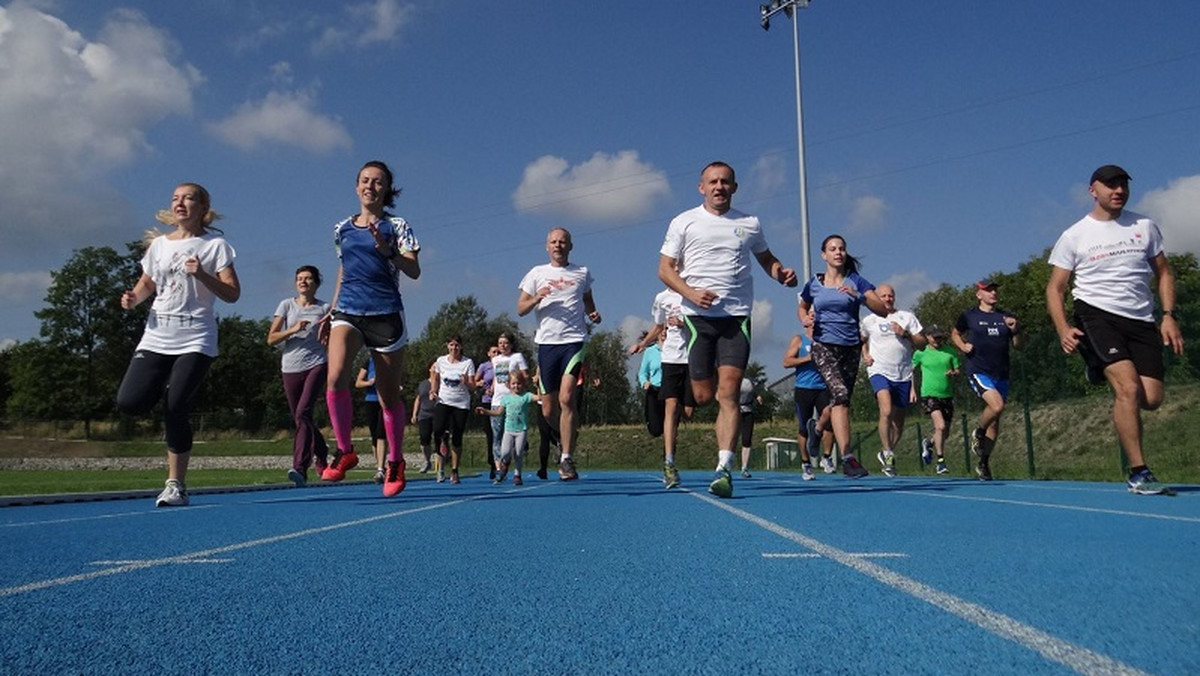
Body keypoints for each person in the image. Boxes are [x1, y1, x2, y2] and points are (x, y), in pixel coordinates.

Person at [658, 161, 797, 498]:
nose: (719, 187)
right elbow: (664, 269)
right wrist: (690, 293)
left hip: (736, 317)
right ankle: (708, 419)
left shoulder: (749, 223)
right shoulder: (684, 221)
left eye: (725, 182)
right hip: (697, 318)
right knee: (704, 396)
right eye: (713, 182)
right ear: (701, 187)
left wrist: (780, 273)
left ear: (734, 187)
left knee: (729, 392)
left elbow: (766, 259)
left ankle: (724, 469)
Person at [1046, 164, 1185, 495]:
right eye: (1110, 185)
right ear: (1093, 190)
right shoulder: (1075, 235)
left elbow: (1164, 273)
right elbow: (1056, 288)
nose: (1118, 190)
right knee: (1127, 389)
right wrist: (1063, 327)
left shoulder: (1145, 226)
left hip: (1140, 319)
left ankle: (1096, 365)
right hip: (1096, 315)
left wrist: (1168, 315)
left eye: (1123, 184)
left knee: (1151, 399)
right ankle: (1139, 471)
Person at [116, 182, 240, 507]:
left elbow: (232, 293)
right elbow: (146, 284)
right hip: (158, 335)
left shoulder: (215, 246)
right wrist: (132, 299)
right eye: (175, 198)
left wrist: (202, 275)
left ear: (202, 207)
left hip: (196, 337)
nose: (180, 203)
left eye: (187, 198)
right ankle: (165, 391)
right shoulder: (158, 246)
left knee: (176, 406)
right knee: (130, 402)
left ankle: (175, 485)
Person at [317, 160, 420, 498]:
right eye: (364, 181)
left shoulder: (398, 225)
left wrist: (389, 252)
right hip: (347, 309)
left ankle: (395, 461)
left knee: (389, 397)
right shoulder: (341, 229)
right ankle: (345, 450)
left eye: (378, 182)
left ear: (386, 189)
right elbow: (343, 271)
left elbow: (414, 270)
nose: (370, 187)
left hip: (385, 313)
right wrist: (331, 311)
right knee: (334, 377)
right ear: (356, 186)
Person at [799, 234, 888, 479]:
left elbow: (882, 309)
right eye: (832, 248)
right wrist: (804, 319)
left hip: (849, 347)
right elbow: (802, 306)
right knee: (840, 395)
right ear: (823, 255)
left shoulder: (856, 281)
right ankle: (848, 458)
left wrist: (859, 297)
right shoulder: (814, 283)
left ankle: (817, 428)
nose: (838, 252)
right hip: (823, 345)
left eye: (841, 248)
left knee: (842, 401)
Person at [517, 227, 600, 481]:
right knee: (547, 409)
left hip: (574, 341)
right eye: (553, 242)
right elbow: (520, 309)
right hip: (547, 344)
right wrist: (536, 299)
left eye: (562, 242)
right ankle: (565, 437)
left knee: (567, 398)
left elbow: (588, 300)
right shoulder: (536, 274)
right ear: (546, 246)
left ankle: (566, 458)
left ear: (570, 246)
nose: (558, 245)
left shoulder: (582, 273)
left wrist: (592, 314)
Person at [267, 265, 332, 486]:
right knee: (301, 418)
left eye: (307, 278)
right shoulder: (286, 305)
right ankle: (322, 453)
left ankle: (300, 467)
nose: (303, 282)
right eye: (299, 279)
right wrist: (292, 329)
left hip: (317, 363)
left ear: (316, 282)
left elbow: (332, 337)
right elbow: (271, 338)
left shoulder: (324, 308)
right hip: (290, 366)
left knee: (304, 412)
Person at [951, 279, 1021, 481]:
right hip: (978, 370)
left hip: (1001, 373)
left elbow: (1018, 345)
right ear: (979, 294)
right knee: (997, 406)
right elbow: (955, 333)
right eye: (988, 290)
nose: (993, 293)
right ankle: (978, 432)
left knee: (995, 422)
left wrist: (1015, 330)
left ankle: (983, 462)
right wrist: (962, 346)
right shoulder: (969, 316)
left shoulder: (1006, 317)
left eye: (994, 290)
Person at [628, 289, 694, 489]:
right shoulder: (662, 298)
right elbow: (657, 326)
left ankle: (674, 430)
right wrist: (643, 344)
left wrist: (684, 324)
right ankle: (669, 463)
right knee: (671, 408)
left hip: (691, 357)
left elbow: (704, 324)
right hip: (672, 359)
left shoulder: (694, 289)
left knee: (689, 412)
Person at [859, 283, 925, 477]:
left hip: (903, 373)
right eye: (883, 296)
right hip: (879, 370)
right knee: (886, 410)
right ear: (877, 299)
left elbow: (921, 343)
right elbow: (861, 341)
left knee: (899, 422)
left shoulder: (906, 317)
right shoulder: (869, 320)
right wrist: (865, 355)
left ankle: (888, 449)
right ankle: (888, 455)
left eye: (890, 296)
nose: (887, 299)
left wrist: (904, 333)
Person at [783, 325, 834, 481]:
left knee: (829, 416)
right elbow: (786, 362)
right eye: (811, 315)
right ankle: (806, 463)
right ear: (806, 321)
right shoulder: (799, 339)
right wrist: (808, 358)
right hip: (804, 388)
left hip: (823, 387)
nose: (814, 318)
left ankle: (826, 456)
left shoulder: (827, 340)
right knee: (803, 427)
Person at [912, 324, 960, 475]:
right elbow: (910, 371)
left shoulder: (950, 352)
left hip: (947, 394)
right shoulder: (921, 353)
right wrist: (912, 390)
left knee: (945, 432)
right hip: (929, 394)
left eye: (940, 337)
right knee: (940, 426)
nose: (938, 340)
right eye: (935, 337)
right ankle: (940, 461)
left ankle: (930, 443)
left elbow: (957, 370)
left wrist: (953, 373)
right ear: (928, 337)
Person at [479, 370, 539, 486]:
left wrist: (537, 385)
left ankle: (517, 474)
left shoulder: (526, 396)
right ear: (509, 384)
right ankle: (505, 464)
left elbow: (539, 397)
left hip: (521, 430)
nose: (516, 386)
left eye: (518, 383)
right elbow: (498, 413)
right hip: (509, 430)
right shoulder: (506, 398)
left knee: (518, 453)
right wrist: (485, 411)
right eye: (513, 384)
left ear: (522, 384)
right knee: (505, 452)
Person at [430, 335, 476, 485]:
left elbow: (473, 387)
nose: (454, 348)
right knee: (438, 430)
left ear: (461, 347)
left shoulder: (467, 363)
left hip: (461, 404)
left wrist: (466, 382)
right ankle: (440, 469)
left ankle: (455, 470)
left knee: (457, 437)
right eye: (451, 345)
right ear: (447, 346)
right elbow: (435, 377)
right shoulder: (441, 361)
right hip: (444, 400)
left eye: (457, 345)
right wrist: (433, 391)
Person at [489, 332, 529, 479]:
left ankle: (515, 466)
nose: (503, 346)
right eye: (500, 343)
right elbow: (495, 377)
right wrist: (492, 387)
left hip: (514, 400)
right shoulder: (495, 359)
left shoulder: (517, 357)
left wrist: (518, 387)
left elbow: (525, 376)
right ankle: (501, 466)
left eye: (505, 343)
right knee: (497, 436)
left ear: (511, 344)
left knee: (514, 435)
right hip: (498, 400)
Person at [354, 357, 387, 483]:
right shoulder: (368, 362)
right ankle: (380, 466)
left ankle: (380, 469)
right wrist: (370, 382)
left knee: (381, 434)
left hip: (385, 401)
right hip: (371, 400)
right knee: (374, 436)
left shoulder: (390, 359)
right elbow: (358, 383)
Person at [635, 330, 665, 438]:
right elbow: (643, 372)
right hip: (654, 390)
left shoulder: (674, 351)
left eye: (667, 329)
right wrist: (645, 382)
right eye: (662, 329)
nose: (664, 332)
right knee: (655, 429)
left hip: (669, 390)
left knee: (669, 423)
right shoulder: (650, 352)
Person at [476, 343, 499, 480]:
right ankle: (493, 465)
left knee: (502, 434)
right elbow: (475, 381)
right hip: (487, 402)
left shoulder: (504, 364)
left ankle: (503, 461)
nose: (496, 354)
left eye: (498, 352)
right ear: (489, 354)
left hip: (501, 401)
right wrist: (482, 386)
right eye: (493, 352)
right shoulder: (485, 366)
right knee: (490, 434)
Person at [410, 366, 437, 476]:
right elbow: (418, 398)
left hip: (438, 414)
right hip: (424, 414)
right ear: (429, 369)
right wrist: (414, 414)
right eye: (433, 367)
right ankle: (427, 460)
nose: (435, 369)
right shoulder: (423, 384)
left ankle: (441, 466)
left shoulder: (443, 382)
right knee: (424, 438)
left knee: (440, 439)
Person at [737, 377, 762, 478]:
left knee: (746, 440)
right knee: (731, 439)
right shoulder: (732, 378)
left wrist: (757, 396)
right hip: (734, 411)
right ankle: (725, 465)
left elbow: (754, 390)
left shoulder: (748, 381)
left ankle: (744, 468)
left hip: (748, 411)